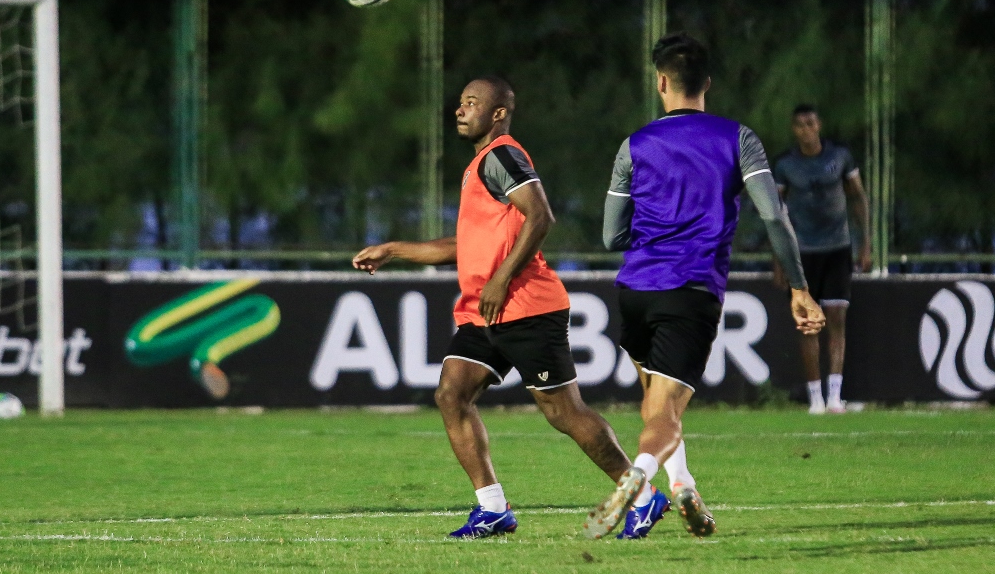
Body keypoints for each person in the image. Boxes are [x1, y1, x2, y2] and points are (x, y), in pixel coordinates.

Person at [353, 76, 643, 540]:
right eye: (461, 102)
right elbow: (465, 245)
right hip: (486, 311)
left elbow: (542, 214)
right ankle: (492, 508)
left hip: (526, 305)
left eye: (472, 103)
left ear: (498, 113)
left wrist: (502, 277)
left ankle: (640, 496)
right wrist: (394, 249)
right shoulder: (480, 166)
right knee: (452, 393)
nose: (460, 109)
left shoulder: (503, 155)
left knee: (563, 414)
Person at [599, 32, 826, 539]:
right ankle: (640, 478)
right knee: (666, 414)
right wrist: (799, 286)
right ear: (707, 84)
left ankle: (682, 486)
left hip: (635, 288)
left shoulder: (634, 145)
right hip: (692, 290)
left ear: (661, 82)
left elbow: (611, 234)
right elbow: (774, 216)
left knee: (652, 395)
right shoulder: (738, 138)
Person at [772, 104, 871, 414]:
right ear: (794, 129)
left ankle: (834, 396)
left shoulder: (839, 157)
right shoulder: (786, 165)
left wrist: (865, 243)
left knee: (837, 318)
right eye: (800, 124)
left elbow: (857, 196)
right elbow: (774, 213)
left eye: (811, 123)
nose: (806, 130)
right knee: (808, 323)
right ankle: (815, 398)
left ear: (819, 125)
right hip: (802, 252)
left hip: (838, 247)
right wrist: (779, 259)